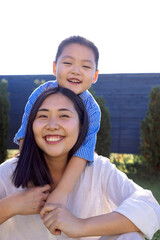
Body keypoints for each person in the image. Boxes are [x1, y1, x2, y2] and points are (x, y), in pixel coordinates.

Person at [1, 87, 160, 240]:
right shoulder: (8, 172)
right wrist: (11, 205)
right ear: (31, 126)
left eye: (64, 116)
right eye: (42, 116)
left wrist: (81, 226)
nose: (52, 125)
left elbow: (149, 207)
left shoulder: (98, 169)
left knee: (130, 236)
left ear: (82, 125)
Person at [13, 35, 100, 207]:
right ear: (54, 67)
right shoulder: (40, 94)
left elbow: (84, 152)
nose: (76, 70)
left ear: (95, 76)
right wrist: (32, 184)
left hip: (69, 169)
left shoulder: (92, 109)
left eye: (85, 66)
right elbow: (25, 134)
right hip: (38, 163)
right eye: (68, 63)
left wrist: (61, 193)